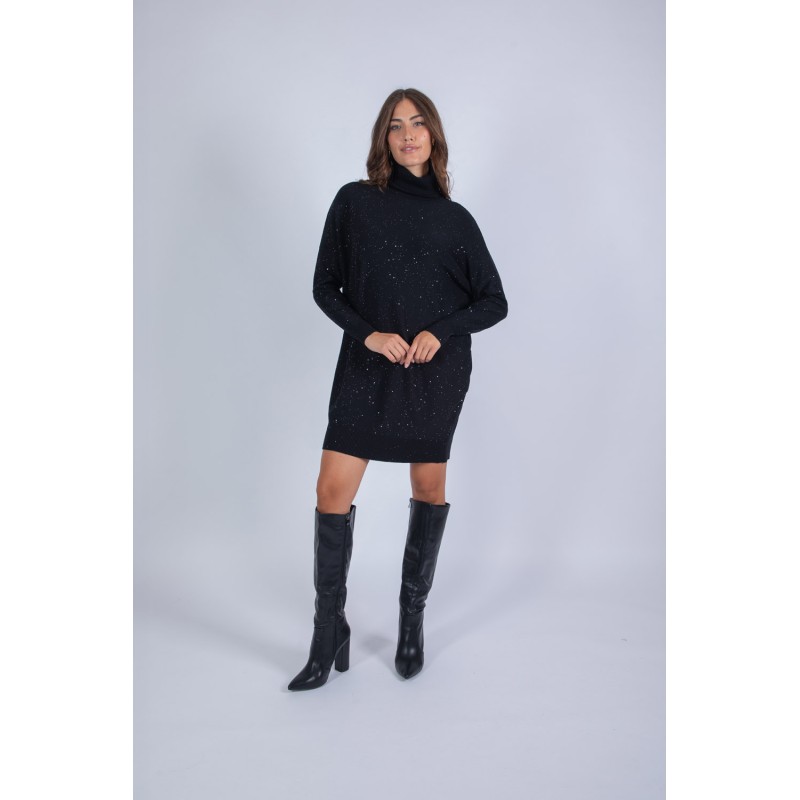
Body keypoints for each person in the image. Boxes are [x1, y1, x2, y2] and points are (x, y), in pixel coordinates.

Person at [288, 88, 509, 691]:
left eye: (417, 123)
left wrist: (441, 331)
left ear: (433, 135)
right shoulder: (354, 202)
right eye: (395, 125)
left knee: (428, 487)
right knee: (331, 491)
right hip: (367, 367)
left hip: (435, 374)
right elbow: (325, 286)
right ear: (382, 139)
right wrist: (370, 334)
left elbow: (494, 301)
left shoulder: (456, 221)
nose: (408, 134)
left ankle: (412, 620)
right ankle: (327, 632)